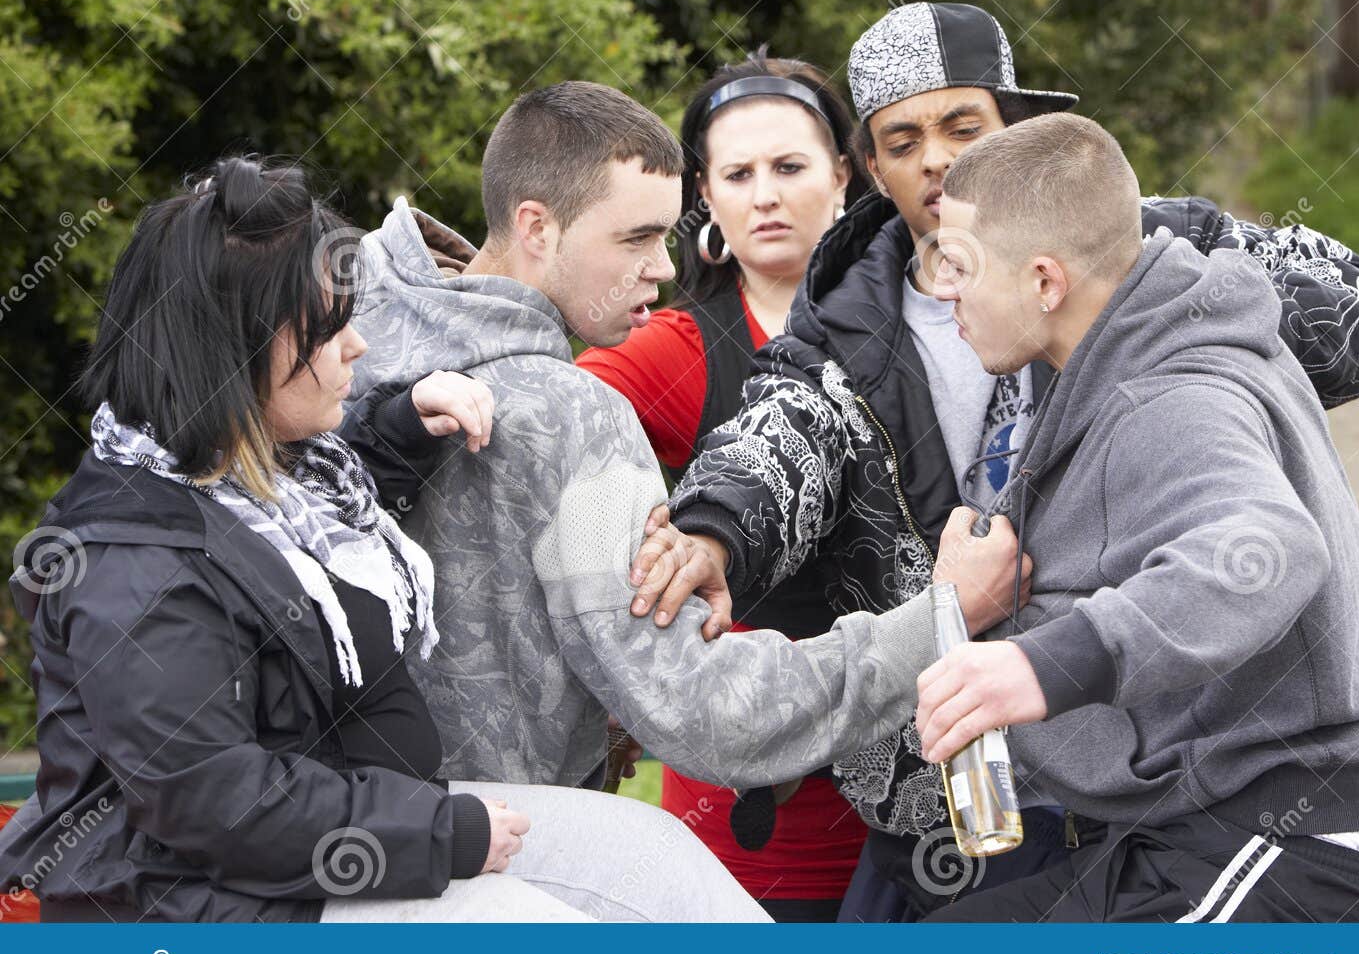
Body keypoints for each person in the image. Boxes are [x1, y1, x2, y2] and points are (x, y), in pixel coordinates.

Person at [660, 2, 1359, 920]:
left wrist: (1127, 245)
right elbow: (776, 441)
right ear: (871, 167)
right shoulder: (845, 323)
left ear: (1016, 128)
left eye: (962, 127)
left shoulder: (1148, 305)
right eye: (903, 139)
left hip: (1180, 771)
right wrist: (713, 528)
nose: (934, 159)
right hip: (956, 790)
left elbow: (1357, 335)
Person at [0, 158, 768, 921]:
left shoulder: (266, 472)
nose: (357, 347)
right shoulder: (136, 565)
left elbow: (282, 549)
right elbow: (214, 803)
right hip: (209, 912)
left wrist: (404, 423)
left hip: (359, 831)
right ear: (234, 348)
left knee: (655, 856)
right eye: (328, 329)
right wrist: (442, 831)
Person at [346, 83, 1025, 839]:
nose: (663, 268)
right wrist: (940, 619)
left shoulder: (342, 348)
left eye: (666, 237)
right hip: (503, 866)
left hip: (340, 850)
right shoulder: (576, 417)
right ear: (536, 225)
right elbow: (703, 709)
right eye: (635, 238)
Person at [913, 112, 1359, 922]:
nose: (943, 288)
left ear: (1045, 282)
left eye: (958, 264)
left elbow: (1271, 546)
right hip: (1210, 833)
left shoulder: (1171, 397)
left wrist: (1037, 665)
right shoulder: (1145, 349)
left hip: (1304, 858)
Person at [577, 52, 869, 920]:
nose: (765, 195)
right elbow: (553, 440)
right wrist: (608, 642)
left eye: (789, 167)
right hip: (747, 816)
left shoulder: (939, 314)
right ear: (706, 194)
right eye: (738, 174)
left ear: (844, 175)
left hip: (933, 789)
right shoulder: (679, 349)